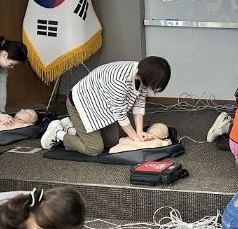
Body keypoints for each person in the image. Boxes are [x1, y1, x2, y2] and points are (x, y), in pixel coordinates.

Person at [41, 57, 171, 156]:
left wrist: (139, 132)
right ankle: (58, 133)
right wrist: (135, 137)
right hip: (81, 105)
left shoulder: (142, 75)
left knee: (111, 142)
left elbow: (139, 104)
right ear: (149, 76)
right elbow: (120, 114)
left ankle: (71, 129)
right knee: (95, 149)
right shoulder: (120, 79)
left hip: (103, 107)